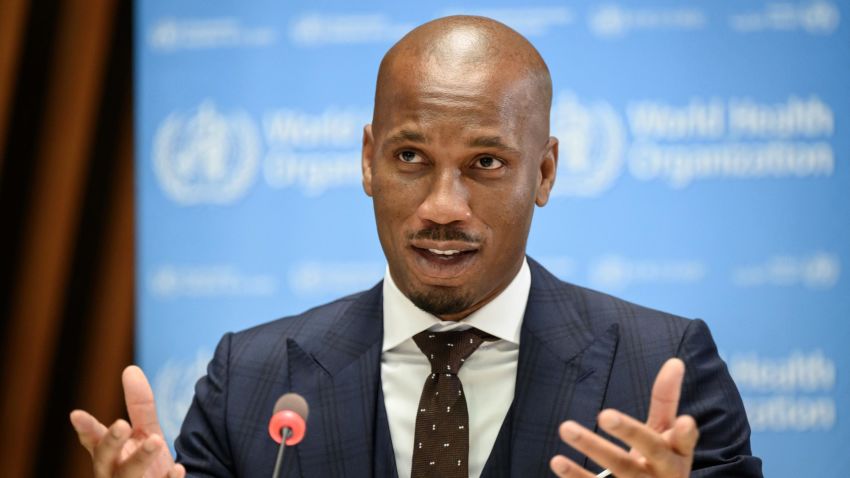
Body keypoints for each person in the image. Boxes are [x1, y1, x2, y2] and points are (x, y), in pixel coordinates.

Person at [70, 15, 763, 478]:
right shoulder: (247, 382)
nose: (442, 207)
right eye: (410, 156)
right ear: (368, 161)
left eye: (486, 163)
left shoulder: (663, 371)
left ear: (544, 171)